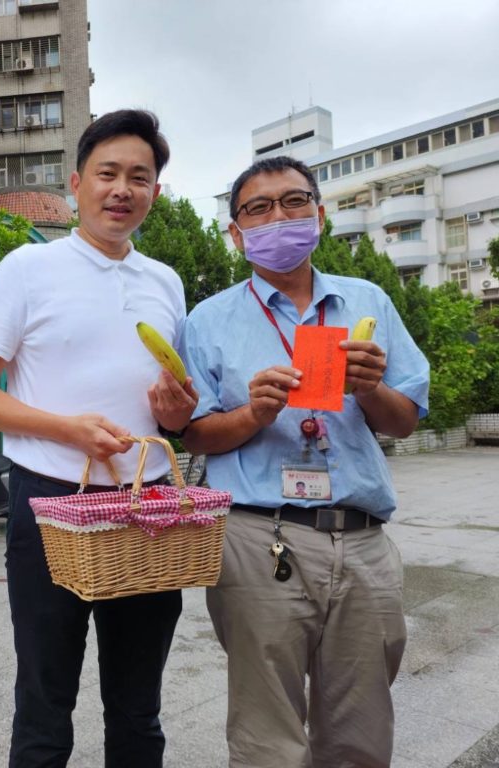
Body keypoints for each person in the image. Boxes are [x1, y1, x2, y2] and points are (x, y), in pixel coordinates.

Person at [0, 109, 197, 767]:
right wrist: (68, 430)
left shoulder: (165, 283)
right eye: (108, 173)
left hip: (146, 509)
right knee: (44, 700)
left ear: (155, 192)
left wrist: (176, 410)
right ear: (76, 182)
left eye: (139, 177)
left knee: (139, 709)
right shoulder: (28, 268)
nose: (122, 189)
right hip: (51, 505)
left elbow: (172, 418)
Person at [172, 155, 429, 768]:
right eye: (257, 209)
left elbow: (405, 420)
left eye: (293, 201)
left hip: (363, 540)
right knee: (267, 734)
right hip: (260, 538)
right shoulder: (207, 321)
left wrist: (368, 387)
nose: (278, 217)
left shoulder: (365, 301)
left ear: (319, 214)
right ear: (235, 233)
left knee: (360, 730)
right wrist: (253, 414)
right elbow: (193, 436)